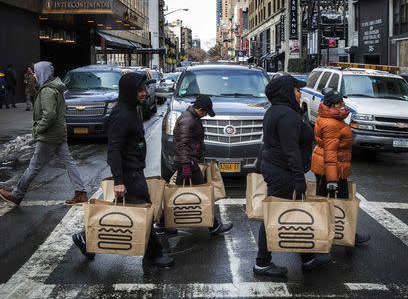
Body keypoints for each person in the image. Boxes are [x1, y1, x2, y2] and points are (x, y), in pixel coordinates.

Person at [72, 72, 174, 267]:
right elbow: (114, 150)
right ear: (129, 92)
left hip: (133, 169)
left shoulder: (131, 109)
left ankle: (84, 237)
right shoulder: (122, 115)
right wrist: (119, 180)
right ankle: (153, 253)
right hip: (130, 173)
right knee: (145, 209)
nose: (145, 93)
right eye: (140, 90)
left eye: (145, 89)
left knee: (122, 207)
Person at [254, 75, 332, 278]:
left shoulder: (275, 111)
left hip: (275, 167)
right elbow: (291, 151)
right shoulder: (287, 115)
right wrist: (299, 179)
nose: (300, 93)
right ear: (287, 92)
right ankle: (262, 262)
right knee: (275, 214)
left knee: (292, 212)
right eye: (297, 89)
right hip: (283, 171)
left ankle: (308, 258)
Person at [0, 61, 88, 206]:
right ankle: (81, 193)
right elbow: (62, 110)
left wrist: (37, 130)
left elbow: (49, 115)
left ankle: (17, 195)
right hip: (59, 133)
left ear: (42, 73)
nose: (34, 74)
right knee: (69, 163)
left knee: (34, 167)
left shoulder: (47, 90)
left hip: (49, 136)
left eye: (36, 72)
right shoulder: (57, 87)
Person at [311, 89, 370, 245]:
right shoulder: (331, 123)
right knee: (341, 203)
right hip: (332, 169)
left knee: (324, 201)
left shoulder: (329, 118)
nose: (343, 106)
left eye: (343, 102)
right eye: (339, 104)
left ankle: (325, 234)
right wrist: (332, 179)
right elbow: (330, 153)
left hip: (331, 167)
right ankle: (345, 235)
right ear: (330, 105)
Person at [171, 95, 233, 235]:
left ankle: (164, 223)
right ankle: (214, 226)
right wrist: (187, 164)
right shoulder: (188, 120)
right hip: (188, 162)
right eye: (205, 112)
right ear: (199, 109)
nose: (205, 115)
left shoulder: (192, 118)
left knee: (176, 195)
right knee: (202, 194)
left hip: (187, 162)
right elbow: (183, 144)